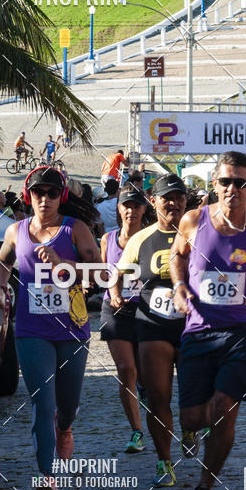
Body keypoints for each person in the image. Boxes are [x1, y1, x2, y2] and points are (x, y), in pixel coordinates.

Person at [171, 151, 246, 490]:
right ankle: (191, 433)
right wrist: (179, 286)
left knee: (223, 409)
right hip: (200, 330)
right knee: (191, 418)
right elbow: (177, 256)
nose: (233, 188)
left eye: (240, 182)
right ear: (213, 184)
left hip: (245, 332)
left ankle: (205, 488)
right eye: (226, 181)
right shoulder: (192, 220)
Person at [0, 166, 100, 490]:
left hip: (71, 330)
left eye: (52, 193)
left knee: (66, 406)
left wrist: (61, 264)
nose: (45, 199)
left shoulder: (75, 229)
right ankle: (47, 479)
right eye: (39, 192)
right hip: (31, 330)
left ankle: (65, 429)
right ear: (29, 195)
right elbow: (3, 264)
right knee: (44, 403)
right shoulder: (16, 230)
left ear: (62, 197)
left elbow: (99, 272)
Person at [111, 174, 188, 489]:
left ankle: (194, 429)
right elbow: (118, 273)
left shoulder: (197, 233)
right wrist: (115, 294)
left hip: (192, 326)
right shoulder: (140, 239)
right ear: (153, 202)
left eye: (178, 196)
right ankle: (164, 462)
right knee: (159, 398)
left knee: (197, 400)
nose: (173, 203)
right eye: (166, 197)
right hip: (153, 325)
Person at [99, 184, 148, 454]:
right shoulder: (108, 239)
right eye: (126, 205)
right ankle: (137, 432)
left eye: (136, 206)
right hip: (114, 308)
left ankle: (145, 390)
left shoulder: (151, 238)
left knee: (146, 375)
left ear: (144, 209)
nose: (130, 210)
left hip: (146, 310)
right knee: (126, 369)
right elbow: (100, 271)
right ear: (119, 209)